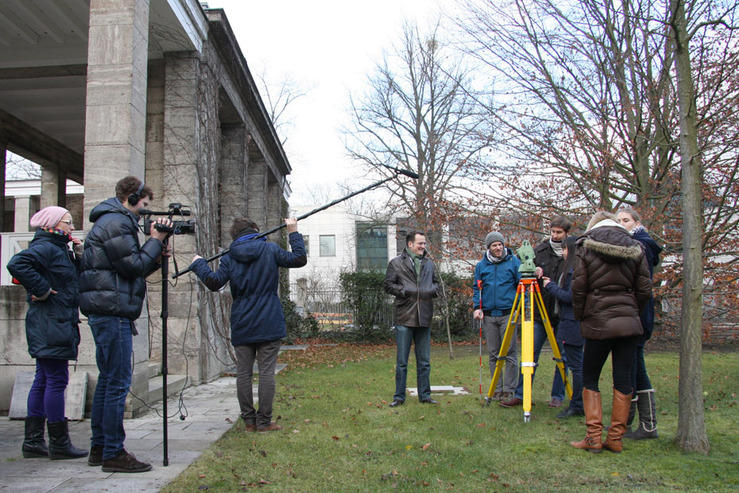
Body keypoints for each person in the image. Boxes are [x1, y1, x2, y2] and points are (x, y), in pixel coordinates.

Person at [79, 176, 171, 472]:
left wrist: (155, 254)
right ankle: (113, 453)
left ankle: (100, 448)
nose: (144, 211)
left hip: (109, 309)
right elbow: (132, 266)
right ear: (131, 198)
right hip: (111, 311)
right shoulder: (116, 223)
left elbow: (129, 268)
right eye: (143, 205)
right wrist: (155, 241)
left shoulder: (112, 221)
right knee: (117, 382)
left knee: (108, 382)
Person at [189, 217, 306, 432]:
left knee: (243, 373)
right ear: (256, 229)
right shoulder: (269, 250)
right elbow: (299, 259)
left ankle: (250, 422)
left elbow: (214, 283)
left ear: (235, 236)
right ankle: (263, 422)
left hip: (243, 321)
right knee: (266, 373)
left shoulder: (230, 257)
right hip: (268, 320)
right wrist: (293, 232)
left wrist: (199, 264)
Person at [7, 206, 88, 460]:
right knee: (56, 380)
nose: (71, 227)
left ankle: (33, 442)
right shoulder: (47, 247)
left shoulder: (58, 248)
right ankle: (59, 443)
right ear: (53, 223)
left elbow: (70, 281)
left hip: (52, 322)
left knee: (43, 379)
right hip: (51, 323)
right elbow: (16, 263)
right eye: (68, 222)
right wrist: (41, 288)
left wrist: (78, 256)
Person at [570, 211, 651, 453]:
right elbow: (645, 288)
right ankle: (615, 438)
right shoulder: (636, 247)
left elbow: (578, 287)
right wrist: (633, 311)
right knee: (624, 379)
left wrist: (581, 315)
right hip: (628, 323)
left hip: (597, 321)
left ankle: (593, 437)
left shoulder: (585, 246)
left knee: (590, 377)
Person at [501, 216, 571, 408]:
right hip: (540, 312)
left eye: (559, 233)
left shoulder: (571, 254)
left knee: (562, 356)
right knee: (530, 354)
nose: (555, 236)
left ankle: (558, 395)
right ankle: (521, 394)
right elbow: (523, 273)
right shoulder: (539, 251)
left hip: (562, 313)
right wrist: (534, 271)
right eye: (553, 232)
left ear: (566, 234)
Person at [617, 207, 663, 439]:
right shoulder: (639, 243)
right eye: (619, 220)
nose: (622, 223)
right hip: (636, 314)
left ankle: (644, 425)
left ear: (636, 222)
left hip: (638, 315)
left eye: (626, 220)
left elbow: (641, 285)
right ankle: (633, 423)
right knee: (634, 366)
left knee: (635, 367)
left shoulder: (641, 244)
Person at [383, 231, 440, 407]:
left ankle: (425, 395)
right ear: (410, 244)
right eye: (420, 243)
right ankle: (399, 397)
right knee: (402, 362)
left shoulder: (430, 264)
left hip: (424, 316)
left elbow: (436, 283)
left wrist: (431, 290)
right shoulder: (396, 263)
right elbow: (388, 285)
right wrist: (404, 291)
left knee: (424, 361)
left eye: (424, 243)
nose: (423, 246)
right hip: (404, 316)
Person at [472, 232, 522, 401]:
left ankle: (509, 389)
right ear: (489, 248)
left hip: (508, 313)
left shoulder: (514, 262)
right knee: (493, 353)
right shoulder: (481, 266)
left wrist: (520, 309)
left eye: (500, 244)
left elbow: (521, 286)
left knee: (509, 352)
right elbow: (476, 289)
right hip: (489, 316)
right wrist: (476, 307)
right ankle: (496, 388)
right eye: (494, 245)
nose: (498, 248)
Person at [542, 236, 585, 418]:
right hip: (572, 323)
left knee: (576, 366)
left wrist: (550, 286)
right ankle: (579, 403)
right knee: (577, 365)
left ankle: (577, 404)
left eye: (565, 249)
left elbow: (569, 297)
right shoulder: (574, 269)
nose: (563, 252)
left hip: (571, 324)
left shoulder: (573, 271)